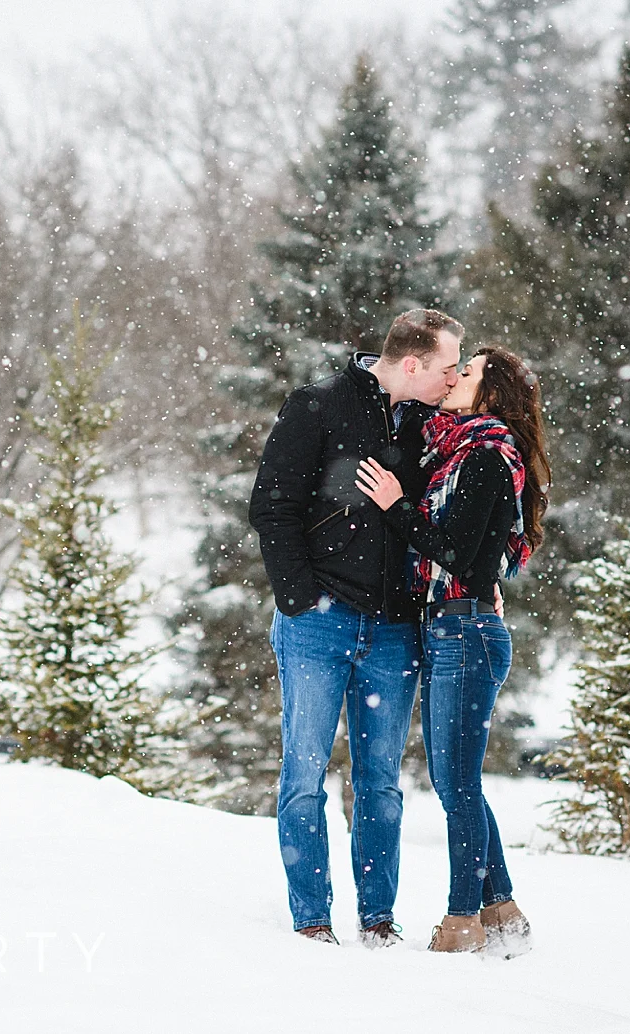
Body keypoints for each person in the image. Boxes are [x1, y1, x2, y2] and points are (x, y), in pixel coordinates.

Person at [249, 309, 464, 947]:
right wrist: (300, 599)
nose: (453, 381)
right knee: (305, 775)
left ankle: (378, 920)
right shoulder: (318, 407)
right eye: (447, 368)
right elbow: (273, 505)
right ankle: (312, 920)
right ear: (412, 364)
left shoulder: (433, 430)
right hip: (318, 622)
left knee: (380, 783)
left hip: (394, 631)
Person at [355, 343, 550, 955]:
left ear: (491, 393)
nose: (456, 376)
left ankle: (463, 919)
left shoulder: (489, 457)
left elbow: (457, 552)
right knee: (453, 778)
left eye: (468, 372)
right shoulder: (458, 449)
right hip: (454, 629)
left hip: (465, 633)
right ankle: (503, 909)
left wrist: (395, 508)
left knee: (457, 783)